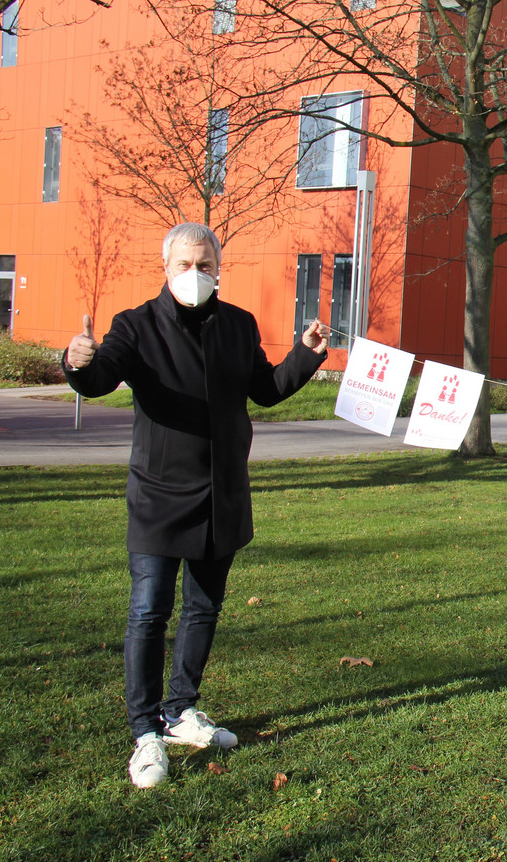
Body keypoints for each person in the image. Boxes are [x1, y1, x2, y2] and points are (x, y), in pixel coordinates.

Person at [62, 223, 329, 789]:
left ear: (218, 268)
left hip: (223, 495)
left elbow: (265, 388)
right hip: (160, 497)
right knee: (148, 612)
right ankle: (145, 733)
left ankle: (181, 710)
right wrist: (77, 362)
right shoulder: (135, 326)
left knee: (203, 609)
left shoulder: (238, 324)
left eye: (206, 264)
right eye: (186, 264)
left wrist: (303, 357)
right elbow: (101, 377)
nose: (196, 274)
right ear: (166, 266)